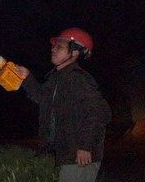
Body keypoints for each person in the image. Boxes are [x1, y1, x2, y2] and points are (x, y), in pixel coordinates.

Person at [15, 28, 111, 182]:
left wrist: (85, 146)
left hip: (80, 156)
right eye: (54, 46)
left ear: (75, 52)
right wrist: (26, 77)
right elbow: (42, 97)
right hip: (67, 153)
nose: (53, 49)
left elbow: (99, 113)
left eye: (59, 46)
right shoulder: (57, 78)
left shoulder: (78, 79)